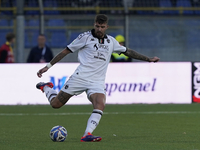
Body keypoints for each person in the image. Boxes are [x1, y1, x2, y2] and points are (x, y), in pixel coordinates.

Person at [36, 14, 160, 142]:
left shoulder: (111, 41)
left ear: (107, 26)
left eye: (102, 27)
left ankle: (87, 134)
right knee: (56, 104)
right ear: (94, 24)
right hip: (80, 78)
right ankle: (46, 87)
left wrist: (148, 59)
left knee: (100, 103)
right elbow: (65, 51)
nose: (99, 29)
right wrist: (48, 66)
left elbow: (127, 51)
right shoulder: (84, 37)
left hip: (97, 81)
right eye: (97, 26)